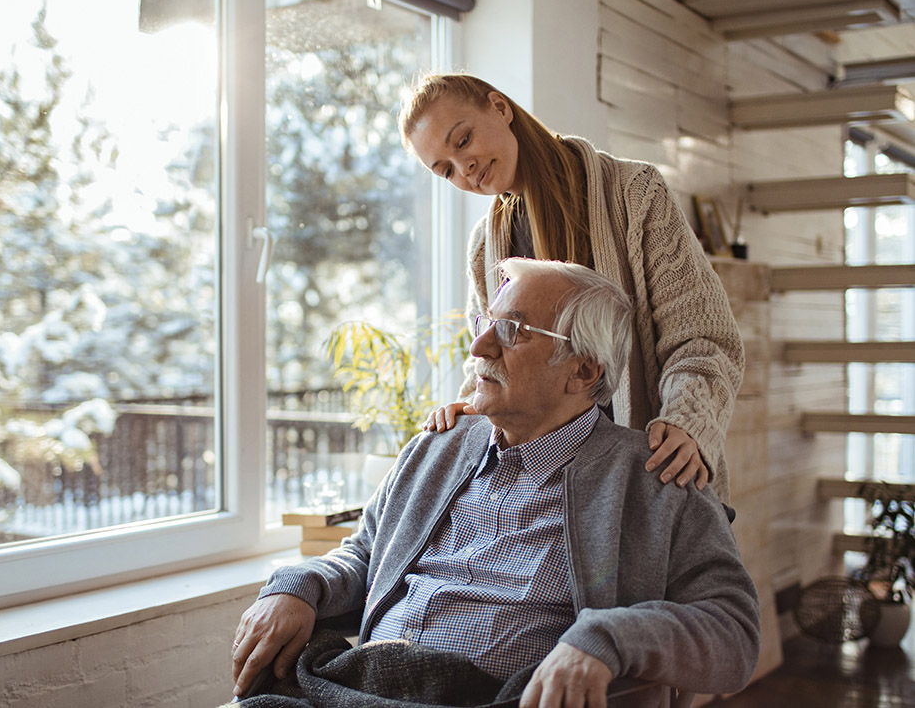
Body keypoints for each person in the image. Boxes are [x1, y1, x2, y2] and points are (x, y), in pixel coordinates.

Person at [229, 259, 760, 708]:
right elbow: (364, 557)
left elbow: (733, 634)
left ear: (582, 371)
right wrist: (299, 587)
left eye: (513, 331)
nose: (480, 345)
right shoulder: (434, 448)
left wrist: (608, 638)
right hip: (361, 688)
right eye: (487, 322)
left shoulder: (656, 478)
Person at [399, 73, 744, 502]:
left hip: (653, 470)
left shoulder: (635, 195)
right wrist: (473, 404)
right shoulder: (485, 245)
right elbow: (493, 351)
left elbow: (703, 339)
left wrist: (687, 421)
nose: (464, 168)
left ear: (501, 108)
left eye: (464, 139)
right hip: (546, 490)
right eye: (445, 169)